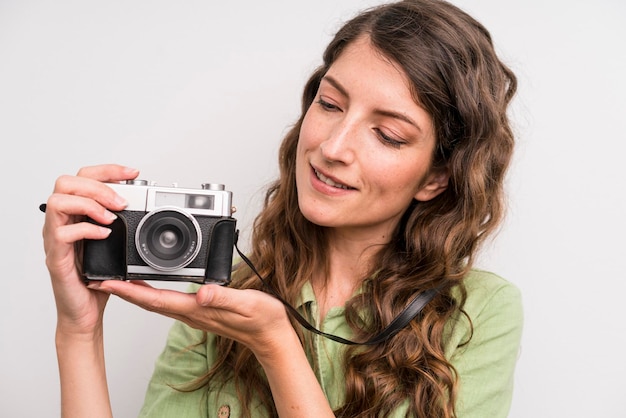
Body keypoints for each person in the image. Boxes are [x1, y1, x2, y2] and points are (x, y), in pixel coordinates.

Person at [41, 0, 523, 417]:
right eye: (330, 104)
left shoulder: (478, 313)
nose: (333, 146)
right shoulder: (220, 287)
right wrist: (78, 331)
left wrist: (275, 346)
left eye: (388, 134)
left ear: (437, 177)